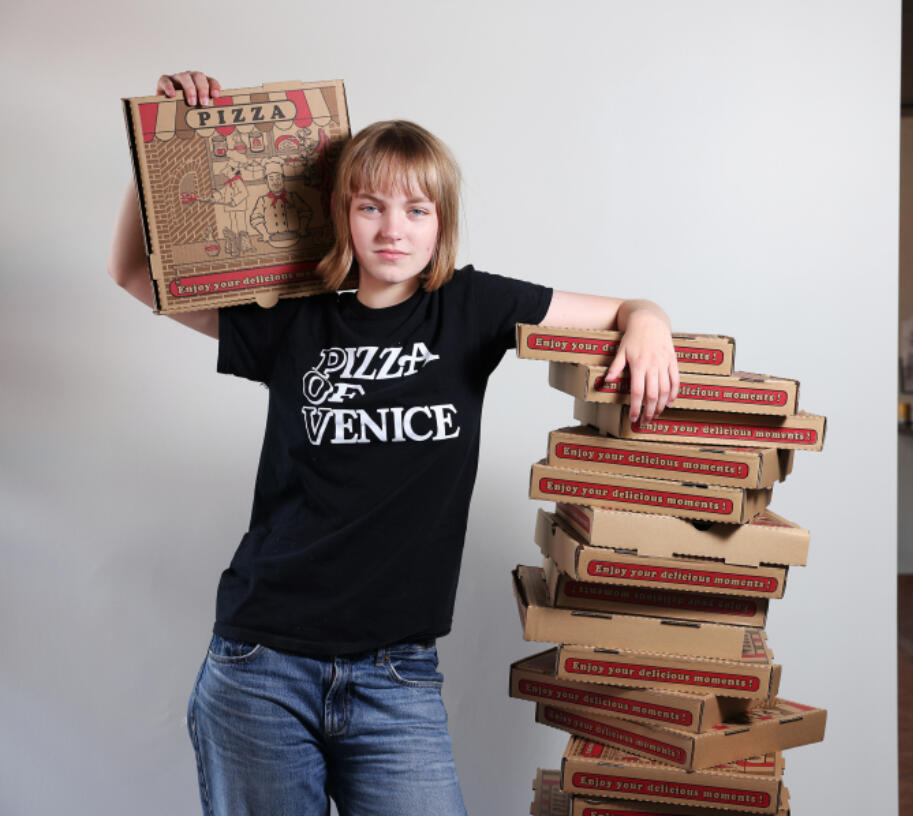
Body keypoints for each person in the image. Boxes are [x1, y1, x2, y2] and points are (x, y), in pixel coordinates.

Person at [108, 70, 681, 815]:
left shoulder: (470, 308)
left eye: (416, 209)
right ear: (340, 215)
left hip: (396, 676)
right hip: (262, 664)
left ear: (441, 222)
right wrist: (160, 140)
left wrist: (650, 322)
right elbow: (131, 273)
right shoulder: (294, 321)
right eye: (369, 206)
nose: (392, 228)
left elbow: (628, 309)